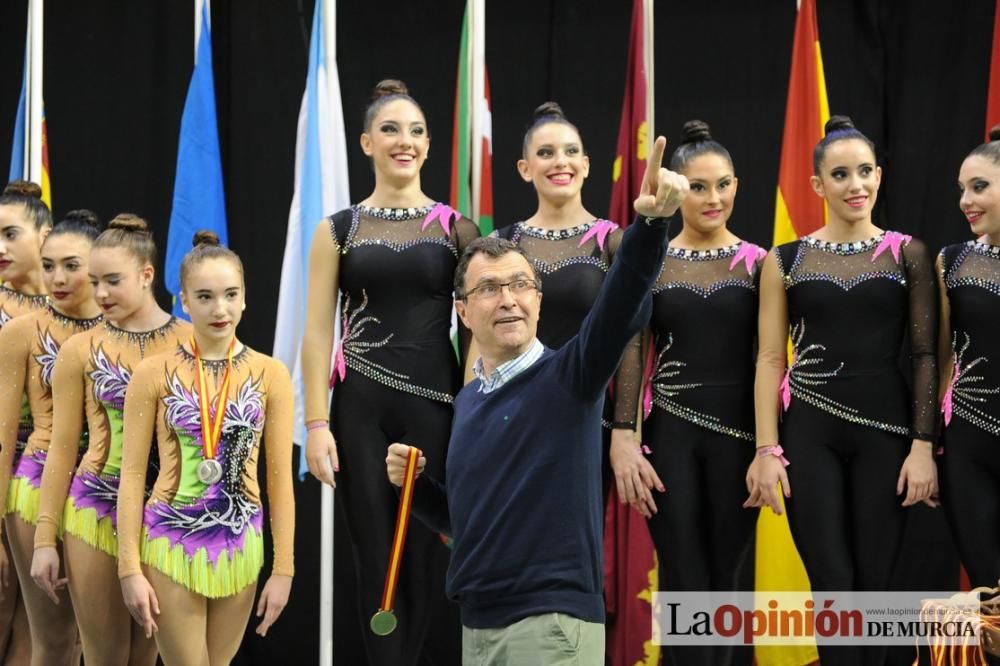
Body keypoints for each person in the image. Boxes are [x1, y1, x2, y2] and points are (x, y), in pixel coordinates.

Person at [386, 136, 686, 664]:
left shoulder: (570, 376)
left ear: (539, 301)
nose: (507, 299)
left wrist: (651, 227)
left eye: (520, 285)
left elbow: (619, 302)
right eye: (489, 289)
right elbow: (472, 524)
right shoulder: (472, 400)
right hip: (478, 630)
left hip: (549, 628)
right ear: (462, 312)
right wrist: (419, 490)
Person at [745, 115, 938, 666]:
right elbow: (768, 358)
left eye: (865, 172)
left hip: (889, 433)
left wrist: (922, 446)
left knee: (875, 586)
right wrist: (766, 449)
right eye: (841, 174)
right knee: (831, 582)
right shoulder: (784, 260)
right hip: (810, 435)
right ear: (817, 185)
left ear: (880, 176)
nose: (855, 185)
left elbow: (927, 356)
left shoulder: (909, 254)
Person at [302, 79, 477, 665]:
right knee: (376, 561)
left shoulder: (458, 230)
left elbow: (475, 336)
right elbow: (317, 331)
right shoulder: (339, 229)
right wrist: (316, 424)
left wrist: (475, 415)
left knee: (428, 559)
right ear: (366, 143)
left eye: (418, 131)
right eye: (392, 130)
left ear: (428, 146)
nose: (406, 141)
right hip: (360, 415)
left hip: (438, 410)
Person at [117, 232, 294, 665]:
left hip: (241, 542)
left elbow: (279, 480)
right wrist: (129, 569)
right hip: (171, 537)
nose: (220, 309)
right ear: (184, 302)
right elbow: (134, 475)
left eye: (231, 295)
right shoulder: (152, 373)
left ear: (245, 298)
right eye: (206, 296)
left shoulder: (271, 374)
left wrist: (284, 569)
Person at [31, 214, 187, 665]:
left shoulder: (189, 344)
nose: (100, 294)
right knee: (105, 656)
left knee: (145, 656)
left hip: (165, 515)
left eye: (112, 281)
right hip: (96, 508)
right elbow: (62, 448)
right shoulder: (79, 350)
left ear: (146, 274)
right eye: (94, 280)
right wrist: (45, 540)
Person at [638, 120, 762, 666]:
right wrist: (626, 440)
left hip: (739, 441)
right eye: (698, 186)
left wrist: (768, 449)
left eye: (724, 184)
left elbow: (771, 360)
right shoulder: (651, 263)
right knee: (684, 578)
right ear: (675, 189)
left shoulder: (763, 264)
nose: (714, 198)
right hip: (670, 439)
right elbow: (629, 356)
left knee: (725, 582)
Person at [496, 101, 644, 497]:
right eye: (545, 153)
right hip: (515, 417)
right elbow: (483, 342)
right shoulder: (501, 244)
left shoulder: (614, 243)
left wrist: (623, 432)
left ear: (587, 164)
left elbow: (630, 339)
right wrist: (475, 420)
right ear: (525, 169)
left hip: (589, 420)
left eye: (570, 151)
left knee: (576, 544)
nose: (560, 162)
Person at [0, 209, 103, 665]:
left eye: (71, 266)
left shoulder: (124, 333)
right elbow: (2, 438)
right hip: (38, 486)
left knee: (99, 642)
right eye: (48, 265)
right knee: (55, 642)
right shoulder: (23, 332)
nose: (57, 278)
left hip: (105, 487)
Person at [938, 125, 1000, 592]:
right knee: (989, 590)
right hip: (968, 445)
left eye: (979, 187)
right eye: (962, 188)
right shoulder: (952, 261)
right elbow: (936, 358)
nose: (965, 200)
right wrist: (929, 445)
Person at [0, 180, 51, 665]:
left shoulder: (82, 309)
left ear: (45, 235)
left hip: (53, 484)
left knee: (44, 632)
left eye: (11, 234)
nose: (0, 247)